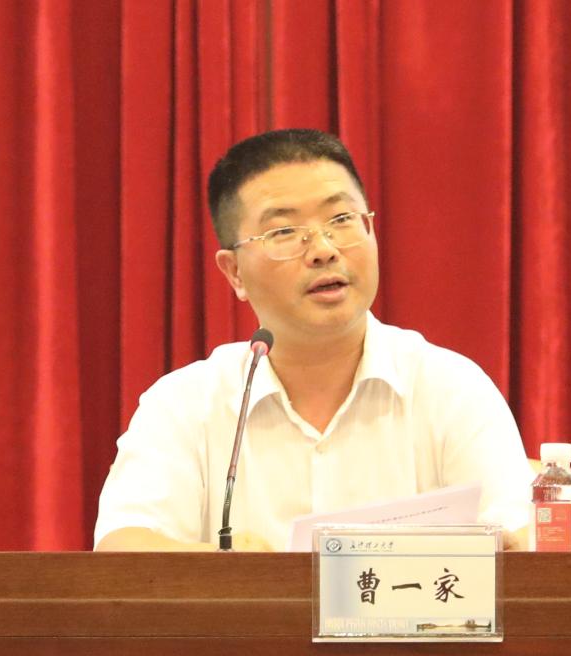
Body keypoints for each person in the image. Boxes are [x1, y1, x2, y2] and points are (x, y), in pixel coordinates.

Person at [94, 129, 534, 552]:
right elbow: (123, 547)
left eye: (341, 220)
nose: (324, 249)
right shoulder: (186, 404)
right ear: (235, 272)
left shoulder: (450, 387)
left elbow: (515, 539)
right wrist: (226, 565)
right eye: (284, 232)